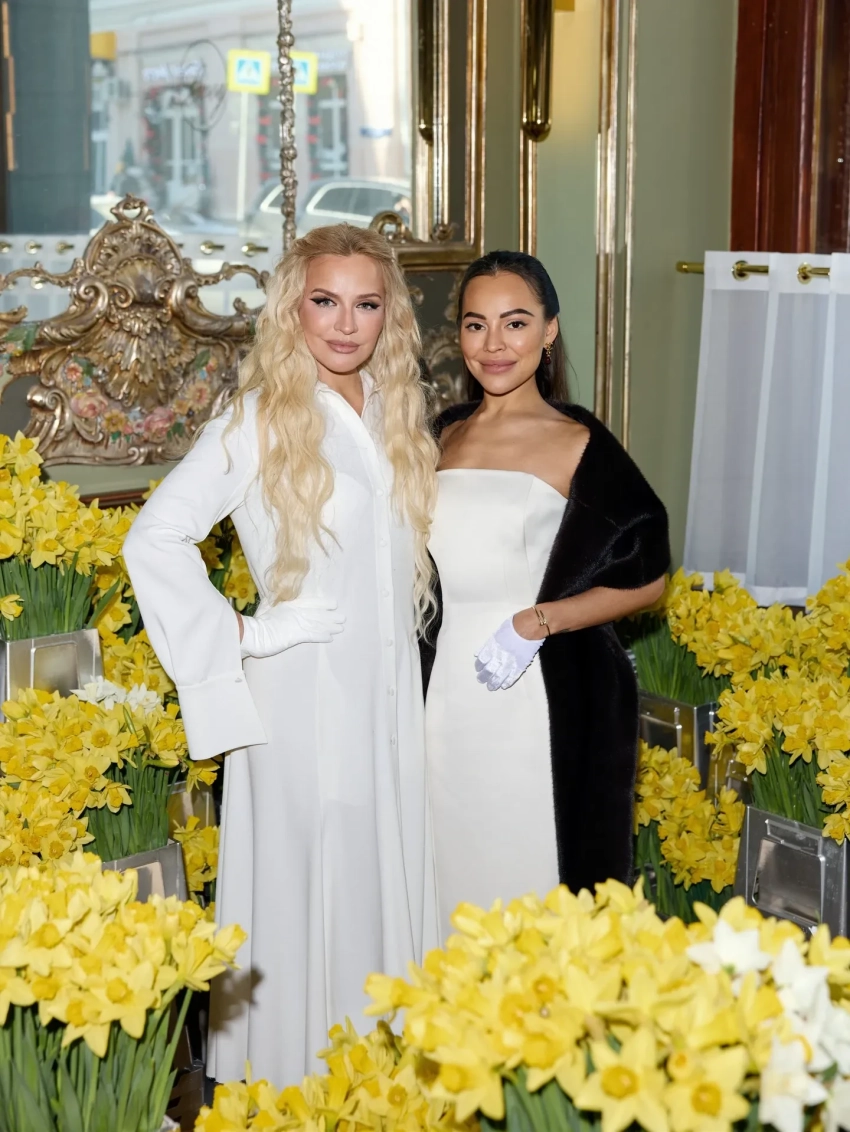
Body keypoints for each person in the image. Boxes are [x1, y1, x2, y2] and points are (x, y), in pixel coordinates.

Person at [123, 224, 439, 1086]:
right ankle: (294, 1086)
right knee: (311, 878)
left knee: (375, 872)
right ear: (292, 309)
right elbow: (154, 537)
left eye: (366, 304)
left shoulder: (395, 412)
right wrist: (250, 633)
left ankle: (377, 1081)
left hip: (386, 697)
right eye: (324, 302)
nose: (345, 324)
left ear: (389, 316)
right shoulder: (260, 417)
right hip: (302, 696)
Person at [420, 250, 670, 938]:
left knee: (528, 873)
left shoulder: (578, 441)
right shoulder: (440, 435)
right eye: (476, 325)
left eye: (516, 322)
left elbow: (649, 574)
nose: (494, 344)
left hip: (532, 696)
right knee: (446, 875)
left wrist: (540, 621)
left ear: (549, 330)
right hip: (439, 697)